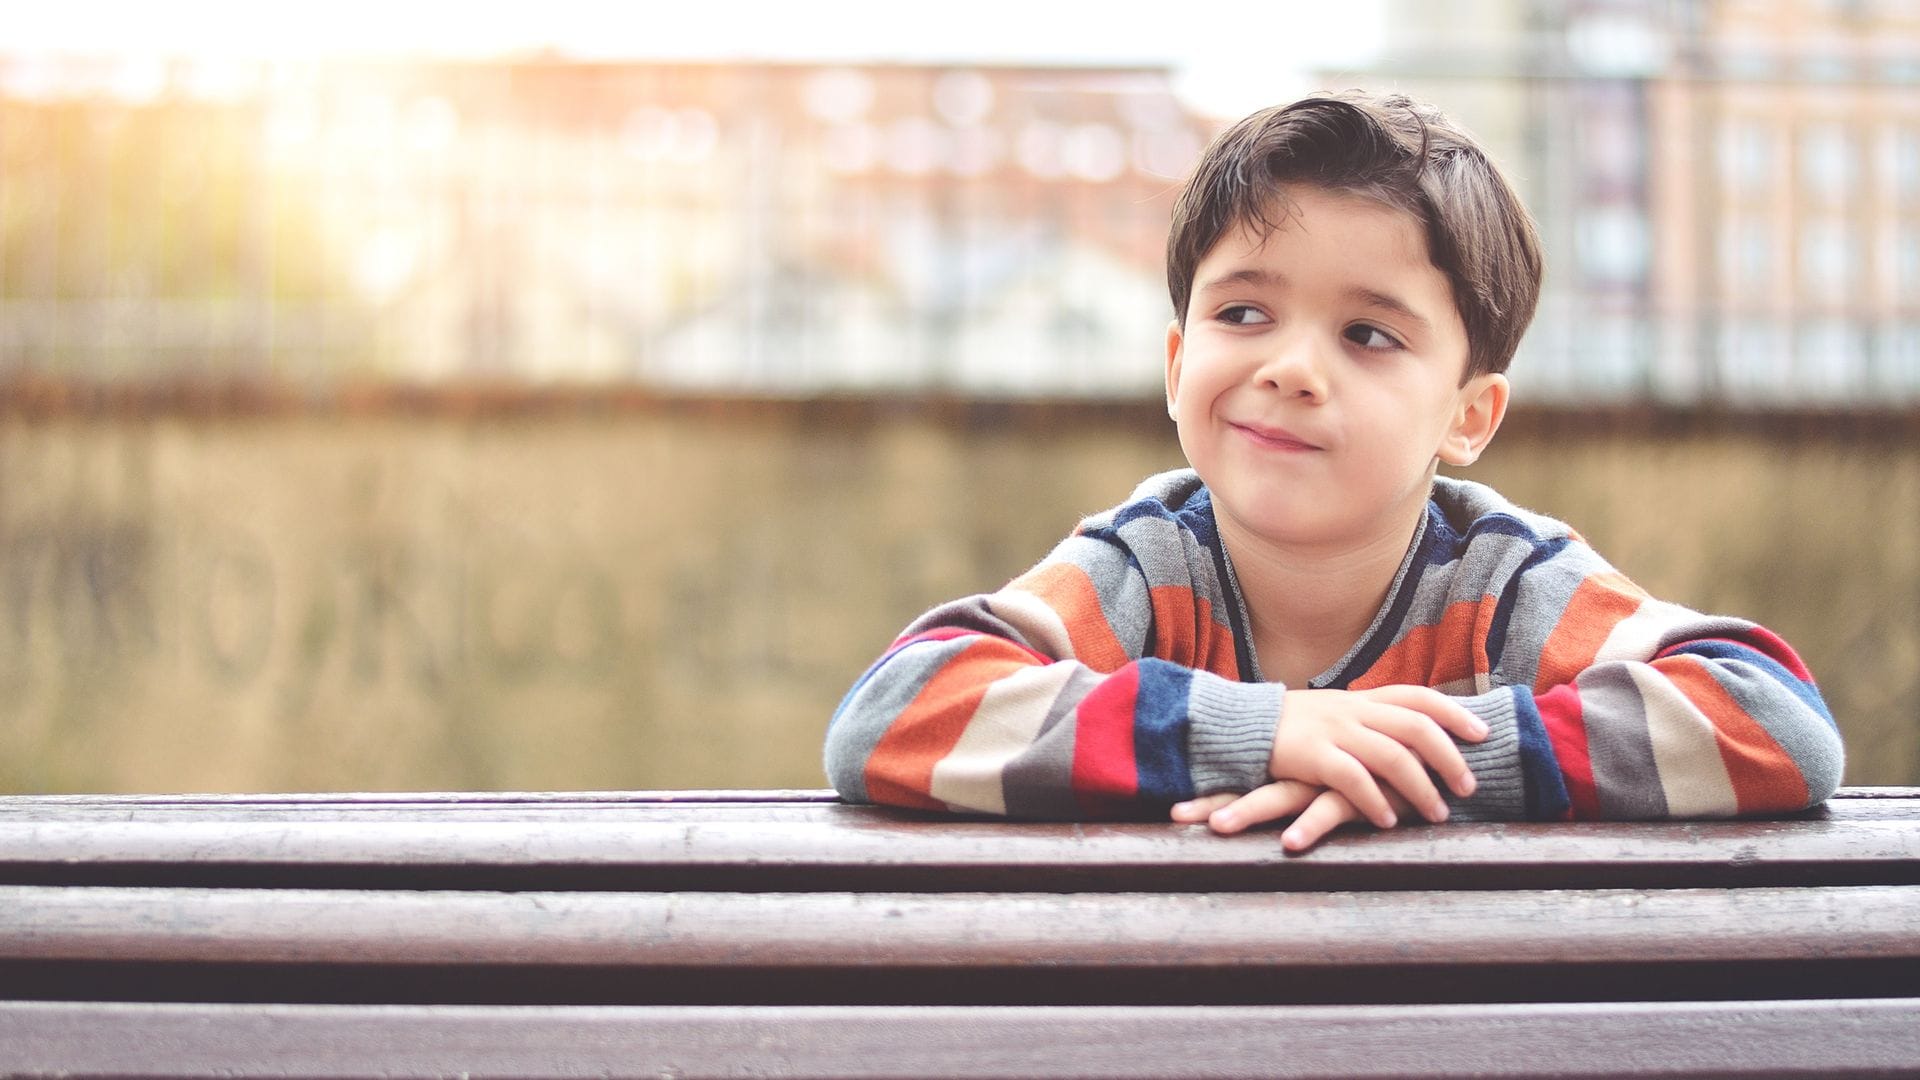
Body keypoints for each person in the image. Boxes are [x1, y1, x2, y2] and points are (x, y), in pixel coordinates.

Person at [822, 90, 1844, 852]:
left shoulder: (1505, 580)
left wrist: (1424, 762)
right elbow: (895, 712)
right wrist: (1263, 731)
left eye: (1367, 333)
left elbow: (1772, 721)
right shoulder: (1145, 563)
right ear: (1179, 370)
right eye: (1243, 313)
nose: (1291, 368)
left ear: (1468, 416)